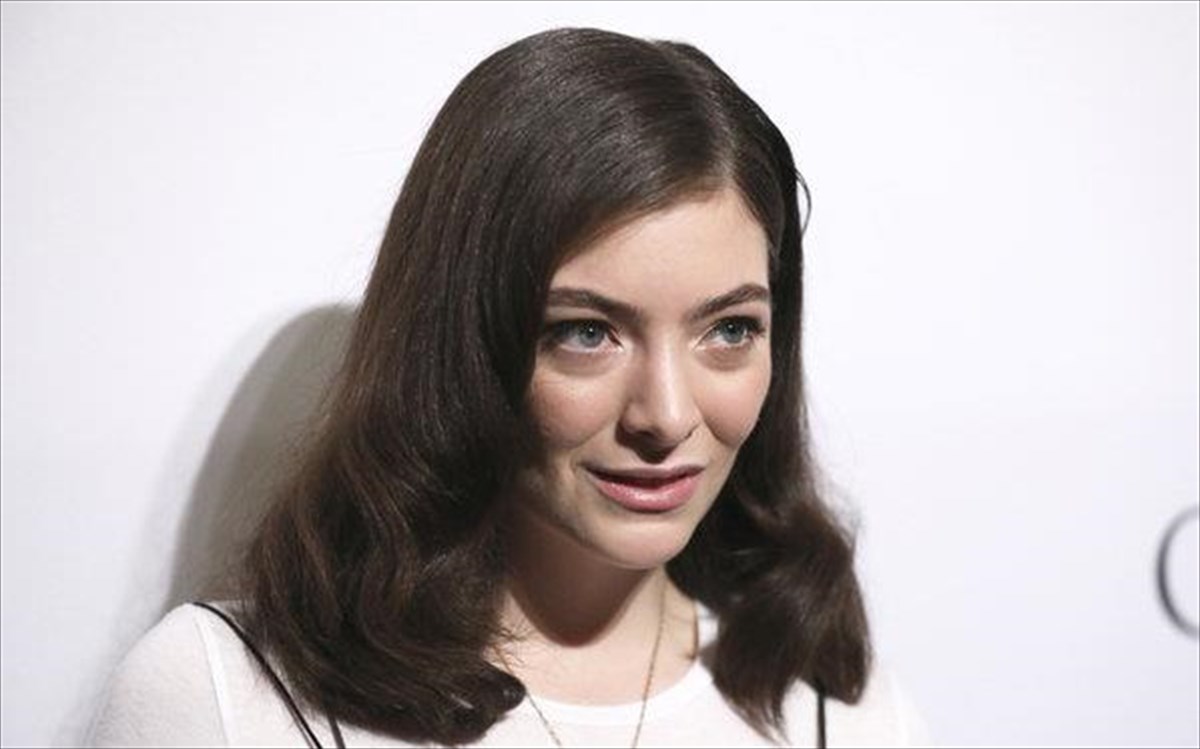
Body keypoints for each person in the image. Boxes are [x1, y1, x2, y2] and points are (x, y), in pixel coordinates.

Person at [89, 27, 929, 748]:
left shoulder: (837, 712)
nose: (667, 415)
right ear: (458, 339)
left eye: (730, 329)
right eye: (586, 333)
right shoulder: (227, 696)